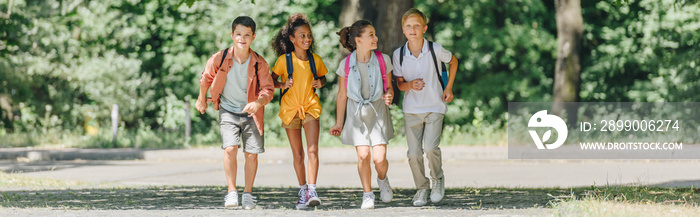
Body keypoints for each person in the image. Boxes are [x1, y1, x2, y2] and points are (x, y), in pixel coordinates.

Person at [195, 16, 274, 210]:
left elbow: (268, 89)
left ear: (253, 37)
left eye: (247, 35)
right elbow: (206, 78)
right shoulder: (219, 58)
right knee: (230, 148)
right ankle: (232, 192)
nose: (242, 38)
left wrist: (257, 103)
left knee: (251, 154)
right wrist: (201, 99)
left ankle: (248, 194)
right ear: (232, 35)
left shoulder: (259, 63)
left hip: (251, 113)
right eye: (238, 34)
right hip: (228, 110)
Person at [392, 8, 458, 207]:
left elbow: (454, 62)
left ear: (424, 28)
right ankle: (422, 188)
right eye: (408, 26)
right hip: (411, 109)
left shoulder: (436, 49)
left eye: (416, 26)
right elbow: (400, 85)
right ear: (403, 29)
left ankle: (437, 179)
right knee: (413, 154)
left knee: (430, 148)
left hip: (434, 106)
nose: (412, 29)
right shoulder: (399, 54)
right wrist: (410, 85)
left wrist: (448, 87)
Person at [330, 20, 395, 210]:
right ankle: (367, 194)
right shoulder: (346, 64)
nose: (376, 38)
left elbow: (389, 86)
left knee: (380, 159)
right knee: (363, 155)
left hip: (378, 112)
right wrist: (339, 123)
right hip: (356, 114)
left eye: (375, 34)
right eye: (371, 35)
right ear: (358, 40)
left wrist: (389, 94)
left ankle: (382, 180)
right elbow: (342, 95)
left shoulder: (383, 60)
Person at [270, 13, 328, 210]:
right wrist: (282, 84)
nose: (307, 39)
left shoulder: (315, 59)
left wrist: (321, 82)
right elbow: (270, 81)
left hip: (311, 106)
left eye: (309, 35)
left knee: (313, 149)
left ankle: (312, 189)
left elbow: (323, 78)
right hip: (290, 110)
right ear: (292, 39)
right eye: (302, 36)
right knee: (298, 154)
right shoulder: (283, 60)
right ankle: (302, 190)